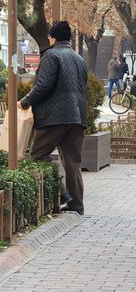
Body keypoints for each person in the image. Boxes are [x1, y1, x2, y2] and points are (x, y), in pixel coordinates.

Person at [19, 21, 88, 215]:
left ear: (54, 38)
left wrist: (25, 101)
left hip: (55, 117)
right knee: (72, 161)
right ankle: (77, 204)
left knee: (38, 154)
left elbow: (43, 85)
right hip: (77, 117)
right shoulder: (78, 58)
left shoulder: (51, 55)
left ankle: (61, 194)